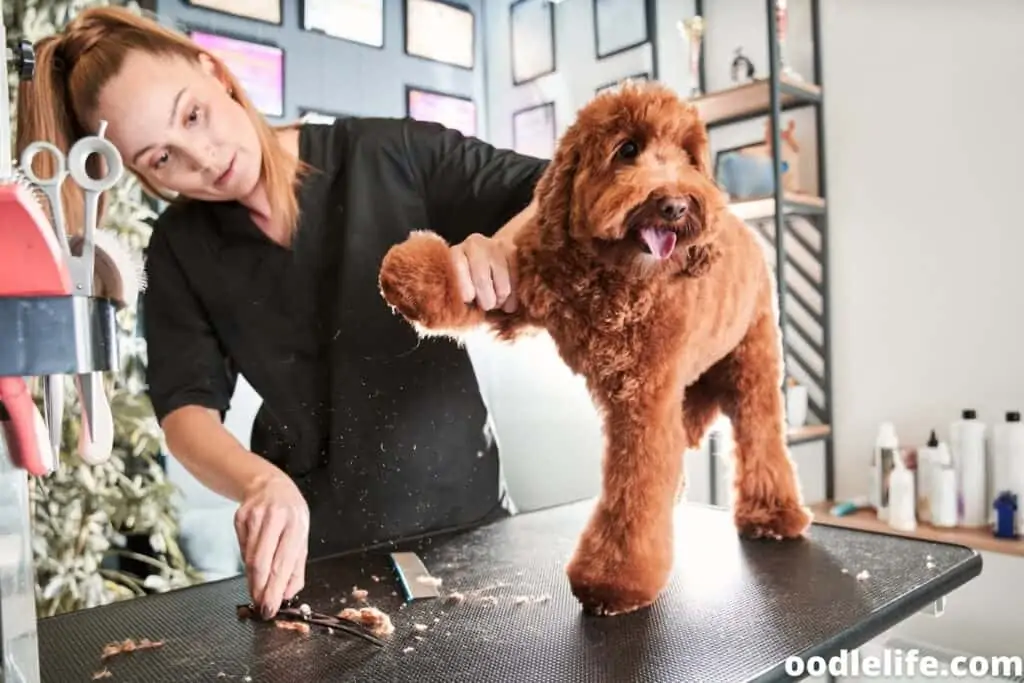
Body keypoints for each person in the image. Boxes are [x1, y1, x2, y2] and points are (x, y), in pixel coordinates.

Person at [17, 7, 547, 619]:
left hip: (472, 526)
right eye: (160, 159)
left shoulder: (387, 154)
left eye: (193, 115)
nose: (202, 158)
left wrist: (506, 244)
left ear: (212, 70)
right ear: (135, 171)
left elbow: (565, 188)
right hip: (319, 560)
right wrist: (260, 483)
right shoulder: (180, 250)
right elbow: (186, 410)